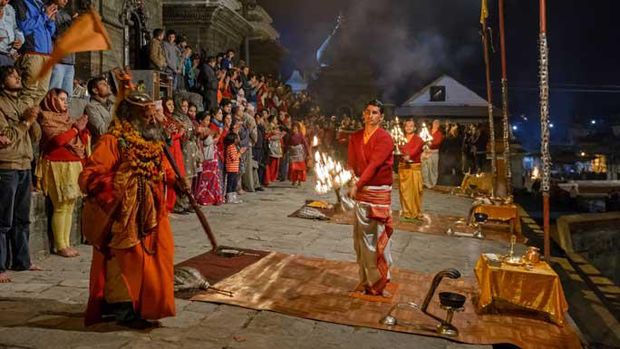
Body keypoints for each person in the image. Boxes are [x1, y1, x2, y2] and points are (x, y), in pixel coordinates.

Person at [79, 88, 181, 328]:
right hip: (125, 213)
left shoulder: (153, 139)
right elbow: (89, 175)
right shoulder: (114, 140)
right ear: (130, 115)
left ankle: (149, 304)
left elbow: (163, 167)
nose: (150, 118)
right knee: (125, 260)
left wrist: (175, 180)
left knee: (160, 255)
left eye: (151, 114)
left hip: (152, 211)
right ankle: (125, 309)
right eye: (144, 114)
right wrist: (117, 187)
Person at [0, 65, 44, 283]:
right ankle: (0, 266)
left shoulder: (22, 102)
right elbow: (5, 137)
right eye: (12, 76)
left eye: (18, 75)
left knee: (22, 218)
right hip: (6, 165)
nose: (18, 78)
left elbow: (35, 137)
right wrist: (25, 121)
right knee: (3, 219)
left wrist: (34, 120)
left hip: (25, 163)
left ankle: (22, 260)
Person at [347, 99, 394, 296]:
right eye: (367, 111)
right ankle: (365, 280)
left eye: (375, 112)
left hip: (377, 192)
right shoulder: (355, 137)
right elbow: (351, 162)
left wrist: (357, 185)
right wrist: (350, 179)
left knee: (374, 240)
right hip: (361, 193)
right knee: (359, 240)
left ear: (381, 117)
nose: (370, 115)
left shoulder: (384, 138)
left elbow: (374, 165)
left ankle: (379, 282)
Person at [36, 88, 89, 257]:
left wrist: (81, 130)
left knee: (70, 205)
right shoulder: (46, 117)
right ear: (52, 100)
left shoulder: (67, 119)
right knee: (60, 205)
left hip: (73, 164)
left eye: (66, 99)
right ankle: (60, 245)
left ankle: (66, 242)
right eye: (61, 99)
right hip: (57, 165)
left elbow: (79, 139)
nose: (65, 103)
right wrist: (76, 129)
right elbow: (58, 140)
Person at [13, 0, 56, 100]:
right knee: (29, 91)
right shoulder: (20, 3)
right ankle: (23, 114)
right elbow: (24, 27)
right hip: (32, 53)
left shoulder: (41, 4)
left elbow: (50, 32)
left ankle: (31, 115)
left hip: (46, 55)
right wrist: (44, 16)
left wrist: (51, 20)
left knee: (42, 91)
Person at [397, 119, 425, 222]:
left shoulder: (419, 140)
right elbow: (399, 148)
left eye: (411, 126)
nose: (408, 128)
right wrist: (403, 155)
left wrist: (408, 156)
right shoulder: (400, 138)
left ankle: (415, 212)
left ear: (415, 128)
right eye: (407, 126)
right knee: (404, 191)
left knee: (415, 192)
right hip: (403, 168)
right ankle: (406, 212)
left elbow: (415, 150)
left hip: (414, 168)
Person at [48, 0, 74, 96]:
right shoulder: (50, 11)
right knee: (54, 94)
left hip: (70, 61)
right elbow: (54, 34)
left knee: (68, 96)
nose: (66, 0)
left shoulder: (66, 15)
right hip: (58, 60)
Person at [85, 76, 114, 145]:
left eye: (107, 83)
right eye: (103, 84)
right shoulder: (91, 107)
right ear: (95, 90)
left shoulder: (112, 104)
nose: (108, 86)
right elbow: (102, 131)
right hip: (103, 145)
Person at [0, 0, 24, 67]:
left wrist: (20, 40)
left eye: (7, 0)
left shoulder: (10, 9)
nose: (4, 3)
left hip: (10, 56)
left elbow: (15, 28)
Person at [422, 119, 444, 188]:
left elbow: (437, 143)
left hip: (434, 152)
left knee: (433, 168)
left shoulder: (439, 133)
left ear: (438, 125)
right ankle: (426, 182)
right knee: (425, 167)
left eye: (436, 123)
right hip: (426, 152)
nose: (435, 124)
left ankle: (432, 183)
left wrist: (430, 144)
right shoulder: (429, 132)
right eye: (434, 123)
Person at [224, 131, 244, 204]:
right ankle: (229, 198)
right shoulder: (231, 147)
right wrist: (240, 152)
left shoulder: (233, 147)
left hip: (234, 168)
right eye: (236, 138)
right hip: (231, 168)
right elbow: (233, 157)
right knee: (231, 183)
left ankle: (233, 197)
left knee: (234, 183)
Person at [288, 122, 309, 186]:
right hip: (293, 153)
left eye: (295, 128)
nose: (294, 130)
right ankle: (294, 180)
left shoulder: (300, 135)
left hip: (299, 153)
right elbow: (288, 143)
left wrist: (308, 152)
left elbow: (305, 144)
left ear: (298, 129)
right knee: (293, 168)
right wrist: (289, 147)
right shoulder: (290, 136)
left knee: (300, 169)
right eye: (293, 128)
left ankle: (300, 180)